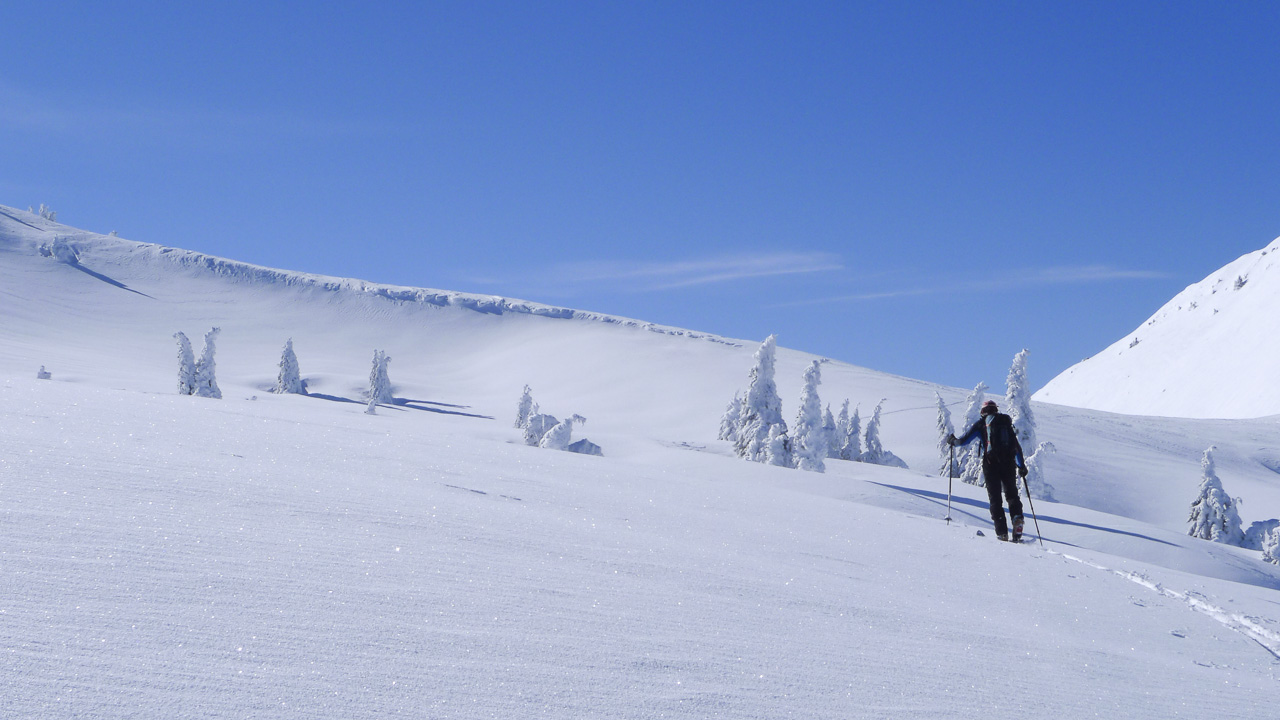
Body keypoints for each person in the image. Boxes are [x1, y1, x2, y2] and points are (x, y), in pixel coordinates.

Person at [948, 400, 1028, 541]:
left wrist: (952, 441)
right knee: (1012, 494)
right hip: (1009, 463)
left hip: (991, 464)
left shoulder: (982, 424)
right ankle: (1017, 519)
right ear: (995, 409)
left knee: (995, 498)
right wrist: (1021, 466)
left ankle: (1002, 533)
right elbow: (1016, 447)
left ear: (983, 411)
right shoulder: (1006, 424)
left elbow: (963, 441)